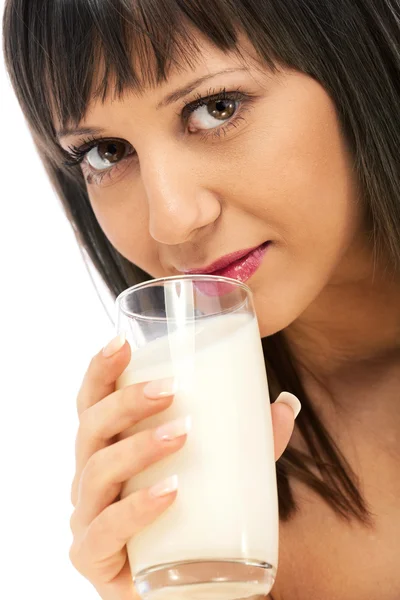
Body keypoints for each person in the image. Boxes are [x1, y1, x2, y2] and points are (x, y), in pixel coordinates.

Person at [3, 0, 400, 598]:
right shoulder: (210, 530)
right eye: (106, 152)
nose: (172, 219)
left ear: (353, 66)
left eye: (217, 108)